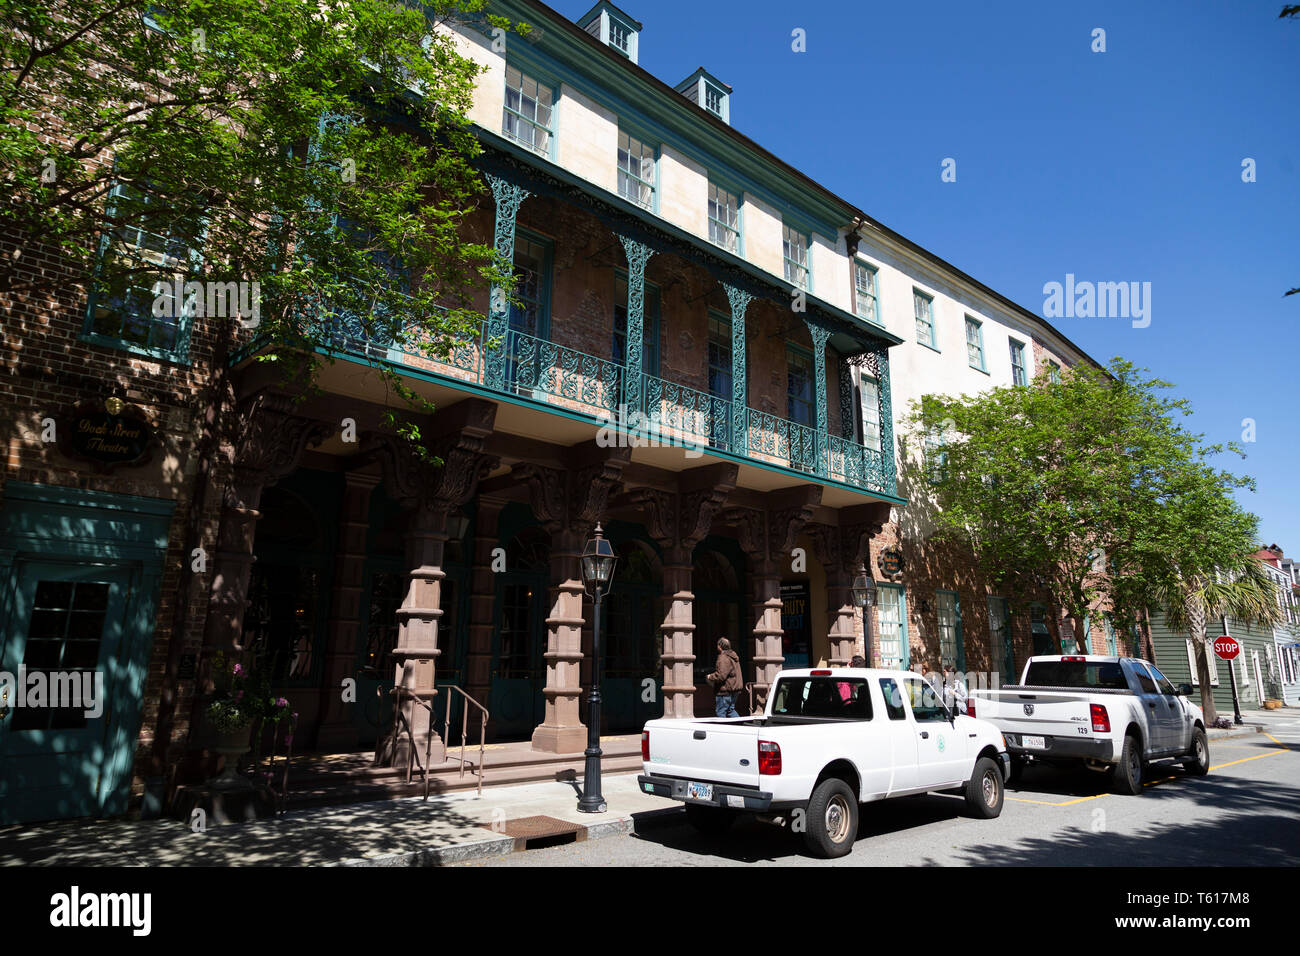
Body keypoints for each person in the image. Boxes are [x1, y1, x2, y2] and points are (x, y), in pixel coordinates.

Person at [707, 638, 743, 717]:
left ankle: (723, 728)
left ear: (720, 646)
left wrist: (710, 677)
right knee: (730, 710)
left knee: (721, 712)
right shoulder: (733, 655)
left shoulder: (723, 657)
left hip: (725, 690)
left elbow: (721, 676)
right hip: (734, 689)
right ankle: (740, 726)